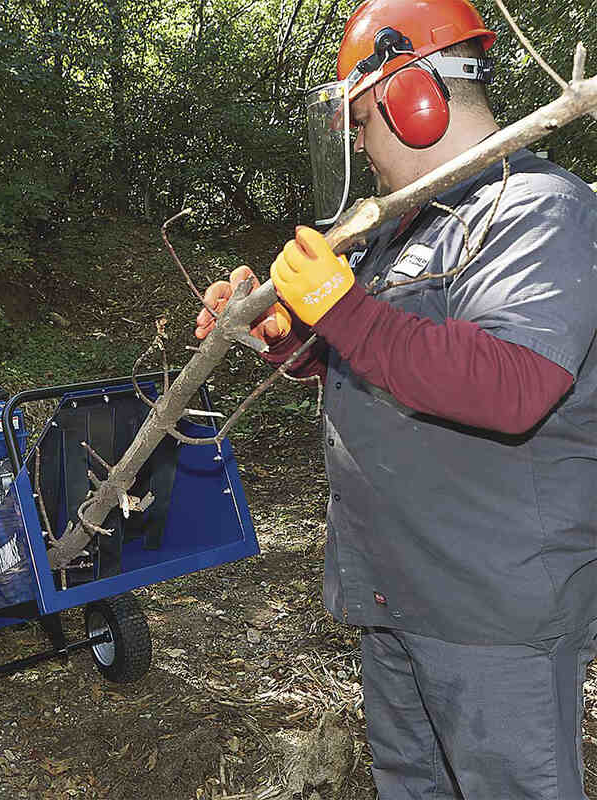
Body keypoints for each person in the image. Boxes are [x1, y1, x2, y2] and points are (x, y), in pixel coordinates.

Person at [195, 0, 597, 797]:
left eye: (360, 117)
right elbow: (380, 357)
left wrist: (343, 311)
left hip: (490, 611)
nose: (356, 142)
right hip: (396, 588)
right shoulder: (398, 228)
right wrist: (285, 338)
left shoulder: (536, 211)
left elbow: (512, 383)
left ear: (412, 98)